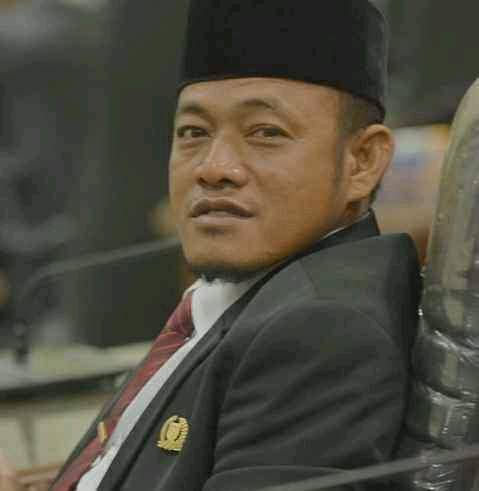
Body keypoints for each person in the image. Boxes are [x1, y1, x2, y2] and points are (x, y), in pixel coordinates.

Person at [0, 0, 421, 490]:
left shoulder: (322, 329)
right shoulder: (249, 294)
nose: (213, 167)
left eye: (266, 133)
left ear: (363, 160)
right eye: (193, 132)